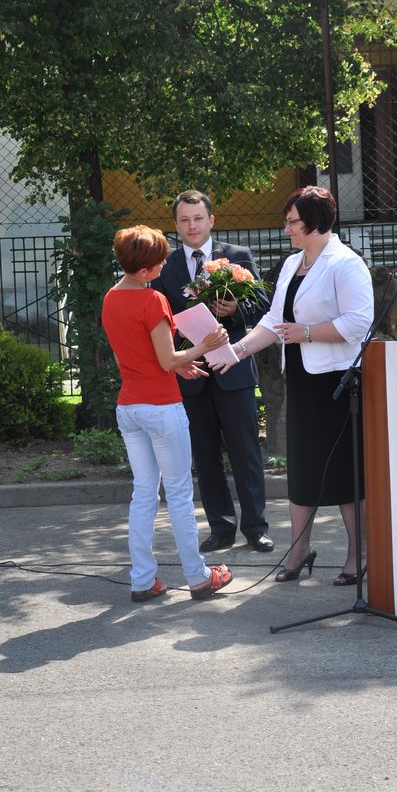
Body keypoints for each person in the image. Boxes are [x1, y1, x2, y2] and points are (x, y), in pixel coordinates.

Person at [213, 186, 374, 585]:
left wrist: (307, 332)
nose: (286, 229)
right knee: (302, 469)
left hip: (337, 382)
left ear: (315, 222)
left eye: (292, 223)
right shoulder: (291, 264)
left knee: (343, 471)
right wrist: (236, 352)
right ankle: (299, 550)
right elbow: (274, 321)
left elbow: (359, 322)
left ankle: (359, 555)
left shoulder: (345, 263)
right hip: (301, 379)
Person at [101, 224, 233, 602]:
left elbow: (130, 358)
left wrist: (177, 364)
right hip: (161, 407)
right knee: (178, 493)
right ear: (144, 269)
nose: (163, 264)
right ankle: (198, 577)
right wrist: (204, 345)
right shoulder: (152, 299)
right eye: (159, 261)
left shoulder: (110, 298)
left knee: (144, 493)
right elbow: (167, 359)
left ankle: (142, 580)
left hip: (129, 406)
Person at [153, 190, 274, 554]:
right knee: (205, 456)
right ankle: (221, 528)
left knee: (245, 453)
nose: (192, 226)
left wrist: (236, 310)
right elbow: (160, 320)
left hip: (234, 369)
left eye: (198, 218)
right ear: (176, 225)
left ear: (211, 220)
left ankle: (256, 528)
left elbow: (264, 308)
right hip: (192, 374)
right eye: (184, 220)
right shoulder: (166, 266)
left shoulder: (237, 256)